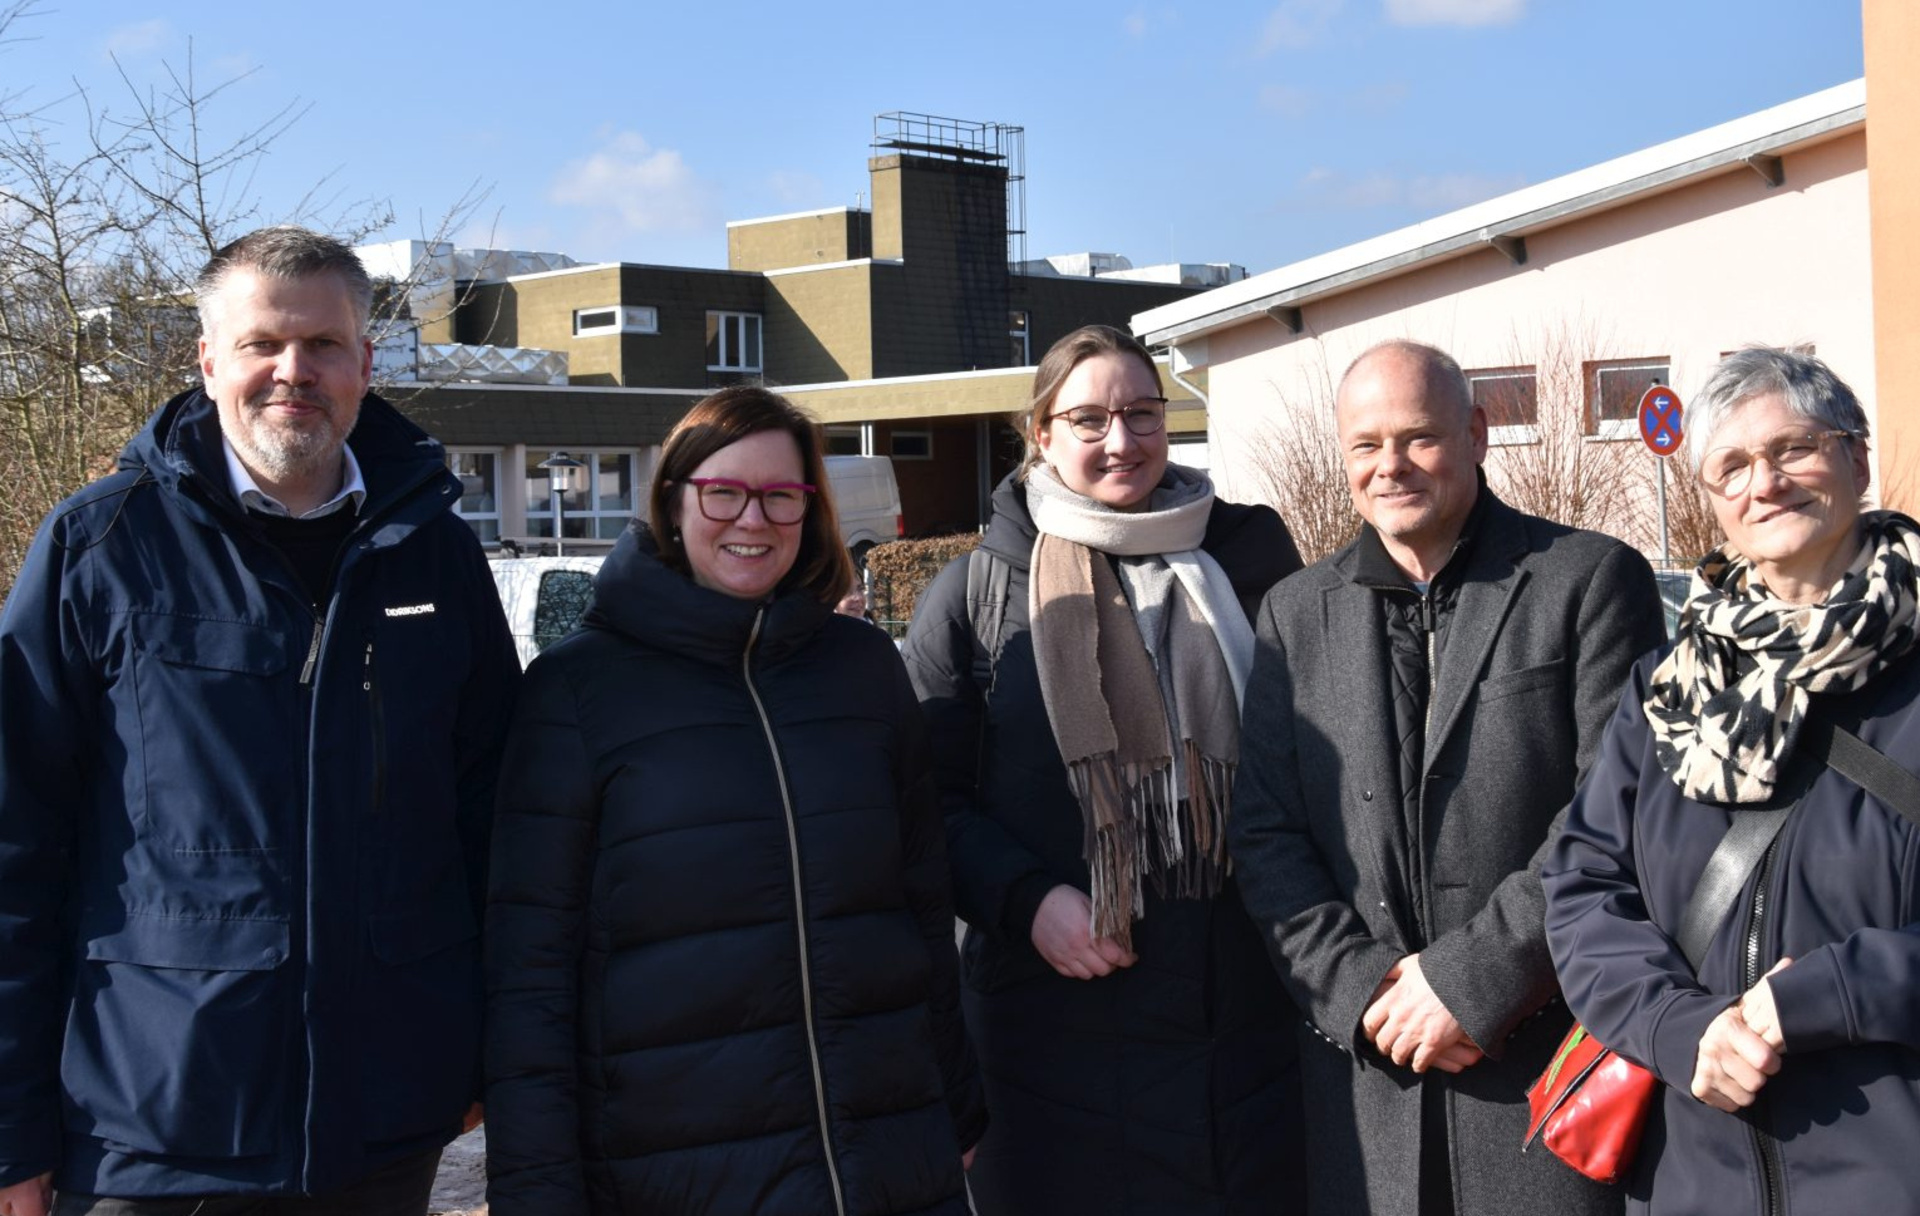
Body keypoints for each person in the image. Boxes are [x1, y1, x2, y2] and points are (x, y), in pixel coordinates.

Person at [0, 226, 520, 1215]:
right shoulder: (100, 548)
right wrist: (9, 1127)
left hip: (384, 1122)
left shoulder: (437, 555)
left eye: (323, 344)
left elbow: (492, 821)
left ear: (366, 362)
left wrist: (483, 1051)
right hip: (154, 1123)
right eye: (262, 344)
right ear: (208, 361)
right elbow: (15, 841)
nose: (294, 371)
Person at [483, 386, 984, 1216]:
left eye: (782, 495)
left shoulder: (862, 669)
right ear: (673, 498)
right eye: (724, 492)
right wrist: (537, 1190)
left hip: (885, 1154)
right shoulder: (577, 690)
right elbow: (529, 973)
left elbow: (922, 906)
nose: (753, 519)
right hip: (676, 1172)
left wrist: (956, 1100)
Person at [1229, 339, 1663, 1216]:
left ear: (1477, 433)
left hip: (1542, 1078)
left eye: (1418, 437)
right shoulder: (1293, 614)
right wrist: (1365, 991)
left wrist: (1473, 985)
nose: (1389, 465)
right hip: (1368, 1092)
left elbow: (1617, 813)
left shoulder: (1588, 580)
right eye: (1365, 444)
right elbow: (1267, 834)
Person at [902, 324, 1307, 1215]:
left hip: (1244, 1030)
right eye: (1089, 419)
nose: (1121, 440)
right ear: (1041, 434)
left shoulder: (1253, 559)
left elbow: (1314, 757)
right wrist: (1026, 902)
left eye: (1142, 414)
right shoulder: (978, 592)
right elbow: (923, 806)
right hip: (1056, 1032)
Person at [1543, 347, 1920, 1213]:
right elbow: (1582, 888)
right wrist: (1681, 1029)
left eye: (1795, 449)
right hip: (1692, 1179)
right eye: (1734, 466)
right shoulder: (1667, 689)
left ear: (1857, 460)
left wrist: (1837, 992)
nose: (1767, 483)